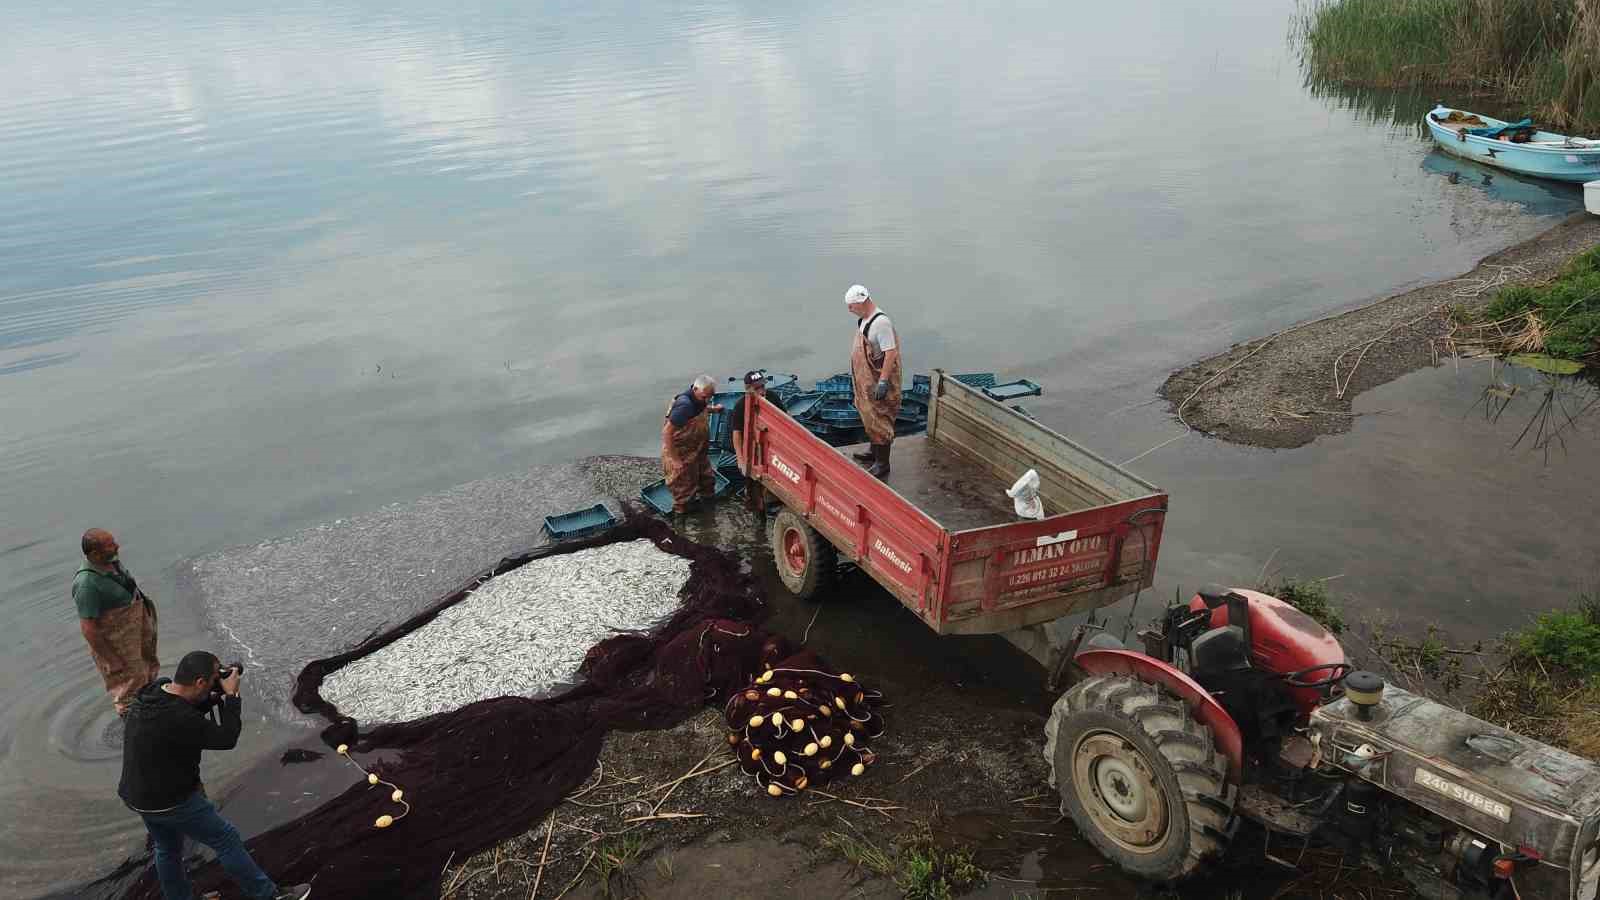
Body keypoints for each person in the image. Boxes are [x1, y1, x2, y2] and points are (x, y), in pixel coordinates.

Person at [120, 650, 312, 900]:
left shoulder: (154, 692)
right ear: (199, 682)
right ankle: (269, 896)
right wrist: (231, 696)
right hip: (170, 799)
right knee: (226, 839)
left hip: (137, 795)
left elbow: (184, 712)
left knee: (167, 848)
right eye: (213, 678)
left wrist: (213, 696)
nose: (217, 681)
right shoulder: (180, 718)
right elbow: (226, 738)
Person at [73, 528, 160, 716]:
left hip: (135, 633)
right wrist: (111, 660)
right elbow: (88, 628)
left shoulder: (112, 562)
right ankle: (131, 724)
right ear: (94, 553)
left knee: (147, 671)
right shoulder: (86, 584)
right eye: (110, 545)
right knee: (130, 686)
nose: (117, 546)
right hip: (118, 644)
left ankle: (152, 714)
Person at [844, 284, 902, 479]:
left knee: (880, 418)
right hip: (866, 379)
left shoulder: (881, 323)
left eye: (851, 306)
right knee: (869, 415)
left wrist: (884, 382)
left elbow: (891, 353)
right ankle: (873, 452)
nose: (849, 310)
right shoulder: (864, 320)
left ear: (861, 302)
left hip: (878, 379)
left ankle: (883, 463)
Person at [661, 374, 723, 515]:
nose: (707, 400)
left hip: (698, 450)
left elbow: (702, 408)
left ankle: (708, 514)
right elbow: (666, 433)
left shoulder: (699, 398)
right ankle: (681, 521)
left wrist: (714, 409)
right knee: (684, 491)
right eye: (705, 397)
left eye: (710, 397)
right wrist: (675, 460)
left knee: (707, 481)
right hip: (682, 453)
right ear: (695, 389)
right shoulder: (684, 406)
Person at [729, 369, 788, 513]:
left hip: (771, 447)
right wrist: (741, 459)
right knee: (754, 494)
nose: (762, 391)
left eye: (763, 386)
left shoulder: (773, 397)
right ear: (747, 389)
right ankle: (758, 516)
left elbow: (787, 420)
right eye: (757, 388)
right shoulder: (740, 406)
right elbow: (736, 434)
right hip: (752, 451)